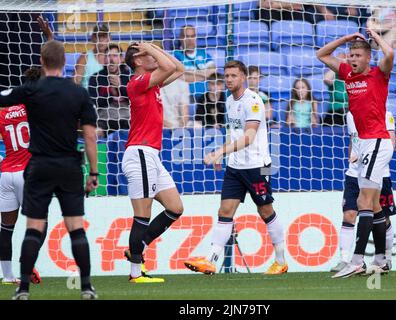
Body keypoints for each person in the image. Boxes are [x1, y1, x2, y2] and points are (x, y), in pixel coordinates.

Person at [0, 40, 99, 299]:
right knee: (76, 227)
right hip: (69, 166)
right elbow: (90, 137)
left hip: (39, 166)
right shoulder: (78, 93)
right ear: (65, 63)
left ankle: (23, 288)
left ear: (42, 62)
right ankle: (86, 287)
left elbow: (3, 99)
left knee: (33, 228)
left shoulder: (31, 90)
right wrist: (94, 173)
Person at [184, 60, 288, 275]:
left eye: (233, 76)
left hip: (258, 166)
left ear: (243, 77)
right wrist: (226, 154)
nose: (229, 80)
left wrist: (220, 151)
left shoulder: (253, 102)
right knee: (225, 210)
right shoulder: (230, 101)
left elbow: (249, 137)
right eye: (226, 76)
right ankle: (211, 260)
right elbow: (234, 133)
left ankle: (281, 261)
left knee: (265, 210)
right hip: (235, 166)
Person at [316, 28, 395, 278]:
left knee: (363, 202)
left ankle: (357, 260)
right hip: (362, 144)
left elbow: (390, 52)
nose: (352, 59)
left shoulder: (378, 74)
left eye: (357, 55)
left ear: (368, 58)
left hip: (377, 141)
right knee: (374, 205)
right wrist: (346, 39)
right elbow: (322, 54)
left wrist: (375, 37)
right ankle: (381, 260)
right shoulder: (347, 74)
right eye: (350, 55)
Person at [122, 42, 185, 283]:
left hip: (151, 156)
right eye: (148, 55)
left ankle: (138, 246)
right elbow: (168, 65)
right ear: (138, 61)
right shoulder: (137, 83)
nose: (153, 58)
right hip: (140, 153)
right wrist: (149, 46)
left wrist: (152, 48)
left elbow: (177, 68)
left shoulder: (152, 82)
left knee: (175, 208)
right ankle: (136, 273)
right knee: (142, 214)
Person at [330, 110, 396, 272]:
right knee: (349, 214)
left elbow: (391, 143)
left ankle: (385, 258)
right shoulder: (350, 115)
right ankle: (345, 260)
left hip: (379, 173)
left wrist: (362, 157)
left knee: (382, 216)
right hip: (354, 174)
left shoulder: (385, 114)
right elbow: (353, 140)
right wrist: (351, 157)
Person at [0, 68, 44, 285]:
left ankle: (7, 276)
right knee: (39, 223)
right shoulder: (37, 106)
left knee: (6, 227)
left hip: (6, 173)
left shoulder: (4, 109)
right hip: (29, 172)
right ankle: (27, 262)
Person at [88, 43, 131, 137]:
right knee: (93, 134)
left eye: (115, 56)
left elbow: (135, 99)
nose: (111, 59)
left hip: (128, 118)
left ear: (121, 59)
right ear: (104, 60)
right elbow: (94, 102)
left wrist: (120, 87)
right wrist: (111, 94)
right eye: (108, 56)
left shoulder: (130, 76)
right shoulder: (96, 78)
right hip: (105, 118)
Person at [173, 25, 216, 101]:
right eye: (187, 36)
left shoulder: (204, 54)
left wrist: (187, 73)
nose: (190, 39)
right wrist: (204, 75)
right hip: (185, 97)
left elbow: (213, 73)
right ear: (181, 38)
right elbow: (178, 76)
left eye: (192, 36)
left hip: (206, 98)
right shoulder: (175, 55)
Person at [74, 24, 111, 89]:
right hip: (88, 97)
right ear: (92, 38)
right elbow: (75, 83)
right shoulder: (84, 57)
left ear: (109, 38)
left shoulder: (115, 57)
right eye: (98, 36)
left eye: (104, 36)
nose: (101, 40)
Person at [322, 53, 348, 126]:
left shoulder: (352, 75)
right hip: (335, 113)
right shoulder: (334, 76)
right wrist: (336, 66)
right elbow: (326, 79)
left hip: (350, 112)